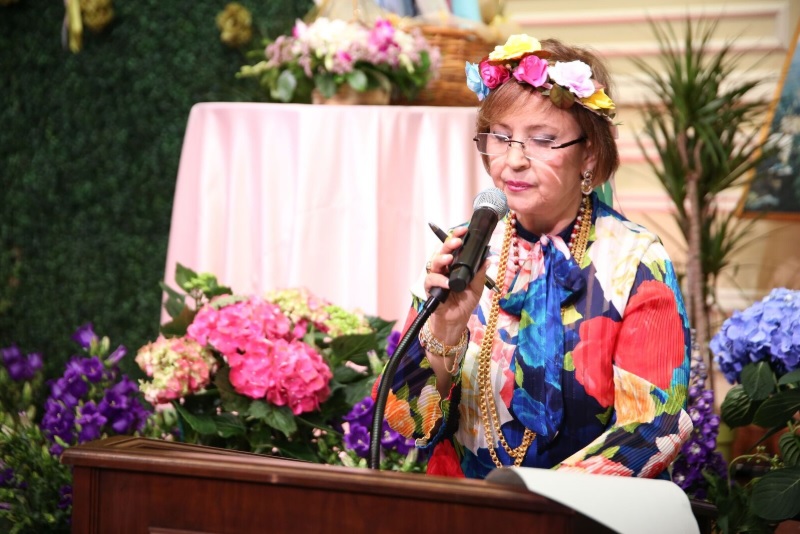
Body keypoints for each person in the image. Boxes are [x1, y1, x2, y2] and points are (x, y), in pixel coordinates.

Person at [380, 34, 693, 479]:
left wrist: (532, 500)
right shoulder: (462, 252)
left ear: (589, 153)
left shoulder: (635, 260)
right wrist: (445, 332)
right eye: (500, 137)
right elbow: (406, 421)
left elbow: (653, 427)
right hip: (461, 503)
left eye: (543, 140)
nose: (514, 160)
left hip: (581, 510)